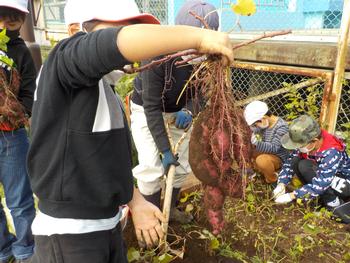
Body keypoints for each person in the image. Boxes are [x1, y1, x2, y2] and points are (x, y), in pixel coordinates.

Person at [27, 0, 234, 262]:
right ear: (74, 31)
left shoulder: (104, 90)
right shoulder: (62, 64)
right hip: (69, 237)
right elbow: (107, 46)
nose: (132, 48)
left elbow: (105, 160)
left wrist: (135, 201)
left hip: (106, 227)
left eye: (133, 27)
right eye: (119, 29)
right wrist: (198, 37)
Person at [130, 0, 219, 224]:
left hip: (179, 111)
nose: (198, 51)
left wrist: (190, 110)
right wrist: (164, 150)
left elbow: (205, 92)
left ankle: (171, 210)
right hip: (147, 109)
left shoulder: (210, 58)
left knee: (180, 167)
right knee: (151, 167)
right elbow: (150, 107)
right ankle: (150, 220)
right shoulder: (156, 54)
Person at [0, 1, 37, 262]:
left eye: (12, 23)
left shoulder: (22, 54)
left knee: (20, 200)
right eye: (0, 21)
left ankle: (25, 251)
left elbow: (28, 96)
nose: (5, 27)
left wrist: (12, 108)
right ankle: (4, 250)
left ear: (22, 22)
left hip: (12, 136)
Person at [273, 115, 350, 220]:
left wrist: (293, 195)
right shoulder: (305, 142)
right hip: (324, 177)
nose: (298, 148)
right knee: (296, 161)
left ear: (315, 141)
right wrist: (281, 183)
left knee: (305, 166)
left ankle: (334, 203)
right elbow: (290, 161)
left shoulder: (331, 152)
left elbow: (322, 182)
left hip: (343, 183)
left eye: (300, 145)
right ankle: (316, 196)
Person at [244, 100, 289, 183]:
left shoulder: (282, 127)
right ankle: (255, 173)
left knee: (262, 160)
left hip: (279, 157)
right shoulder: (265, 123)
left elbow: (275, 148)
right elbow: (255, 129)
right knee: (246, 151)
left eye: (255, 123)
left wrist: (256, 143)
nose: (256, 126)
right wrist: (248, 130)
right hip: (267, 153)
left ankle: (273, 179)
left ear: (264, 118)